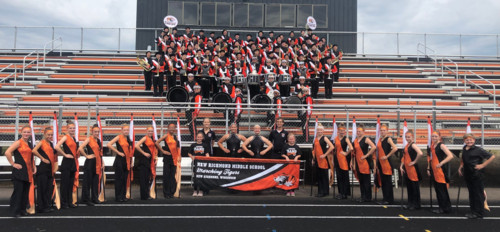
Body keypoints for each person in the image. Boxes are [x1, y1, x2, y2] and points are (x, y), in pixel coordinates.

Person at [459, 133, 495, 219]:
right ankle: (473, 210)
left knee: (478, 194)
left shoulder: (478, 150)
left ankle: (479, 213)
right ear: (464, 141)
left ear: (474, 140)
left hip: (477, 175)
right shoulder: (464, 148)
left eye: (471, 139)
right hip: (468, 175)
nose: (469, 141)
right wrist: (460, 167)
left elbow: (492, 156)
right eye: (467, 140)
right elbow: (464, 159)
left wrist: (482, 165)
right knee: (472, 194)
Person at [5, 126, 35, 217]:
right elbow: (7, 152)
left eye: (28, 132)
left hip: (28, 171)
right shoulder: (18, 142)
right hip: (19, 171)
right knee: (18, 192)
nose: (26, 134)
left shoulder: (30, 144)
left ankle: (22, 209)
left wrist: (34, 166)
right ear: (21, 132)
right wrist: (13, 164)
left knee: (25, 192)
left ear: (30, 133)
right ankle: (15, 211)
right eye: (24, 132)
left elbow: (31, 157)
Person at [428, 130, 454, 214]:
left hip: (440, 171)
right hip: (434, 170)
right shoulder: (432, 145)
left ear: (439, 137)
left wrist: (441, 163)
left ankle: (445, 208)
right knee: (438, 190)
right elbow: (431, 158)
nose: (434, 138)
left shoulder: (441, 145)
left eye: (436, 136)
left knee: (442, 190)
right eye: (433, 136)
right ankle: (442, 207)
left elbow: (450, 156)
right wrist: (429, 168)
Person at [32, 127, 57, 213]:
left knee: (48, 189)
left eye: (51, 135)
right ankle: (41, 207)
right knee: (42, 189)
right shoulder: (42, 142)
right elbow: (34, 151)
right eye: (48, 134)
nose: (50, 136)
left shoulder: (51, 144)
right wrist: (42, 158)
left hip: (50, 170)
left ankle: (47, 205)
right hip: (42, 169)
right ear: (44, 134)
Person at [55, 120, 78, 209]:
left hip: (72, 163)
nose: (72, 129)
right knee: (65, 184)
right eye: (70, 128)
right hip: (66, 163)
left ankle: (69, 201)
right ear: (67, 129)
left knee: (70, 183)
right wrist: (64, 154)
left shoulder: (74, 138)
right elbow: (56, 146)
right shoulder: (65, 137)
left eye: (73, 128)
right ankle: (64, 202)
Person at [77, 124, 103, 206]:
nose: (97, 133)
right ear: (92, 132)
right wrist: (86, 156)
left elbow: (100, 153)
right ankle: (86, 199)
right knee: (87, 182)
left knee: (95, 182)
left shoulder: (98, 141)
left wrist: (102, 163)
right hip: (90, 163)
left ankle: (95, 198)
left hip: (97, 163)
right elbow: (80, 148)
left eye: (98, 132)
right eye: (95, 132)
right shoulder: (89, 139)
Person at [107, 124, 134, 202]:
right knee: (119, 179)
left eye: (127, 130)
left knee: (125, 179)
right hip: (119, 161)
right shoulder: (118, 137)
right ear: (121, 130)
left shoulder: (128, 139)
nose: (126, 131)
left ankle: (123, 195)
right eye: (125, 130)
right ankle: (118, 196)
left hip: (126, 161)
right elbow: (109, 144)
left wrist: (130, 161)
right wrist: (118, 152)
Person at [399, 130, 423, 210]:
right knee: (409, 187)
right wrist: (401, 166)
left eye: (408, 137)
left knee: (414, 187)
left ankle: (416, 204)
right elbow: (404, 157)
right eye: (406, 137)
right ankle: (410, 203)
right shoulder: (407, 146)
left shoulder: (413, 145)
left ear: (412, 137)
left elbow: (420, 153)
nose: (407, 138)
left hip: (413, 169)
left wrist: (414, 162)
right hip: (407, 169)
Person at [156, 123, 181, 198]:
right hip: (167, 158)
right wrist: (163, 151)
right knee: (166, 176)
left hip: (174, 159)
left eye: (173, 127)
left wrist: (179, 156)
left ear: (175, 129)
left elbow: (178, 147)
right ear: (168, 128)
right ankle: (166, 193)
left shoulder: (176, 137)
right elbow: (156, 142)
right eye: (170, 127)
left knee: (172, 176)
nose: (172, 129)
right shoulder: (166, 136)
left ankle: (171, 192)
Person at [352, 124, 376, 202]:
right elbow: (353, 152)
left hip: (364, 162)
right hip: (358, 162)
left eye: (360, 131)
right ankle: (363, 196)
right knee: (361, 180)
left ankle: (368, 197)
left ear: (363, 132)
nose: (358, 132)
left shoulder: (366, 139)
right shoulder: (355, 140)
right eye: (357, 131)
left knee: (366, 181)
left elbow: (373, 147)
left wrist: (367, 155)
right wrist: (352, 162)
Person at [374, 124, 398, 205]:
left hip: (386, 164)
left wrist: (387, 156)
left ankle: (389, 199)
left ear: (387, 131)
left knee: (388, 182)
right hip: (381, 163)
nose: (382, 132)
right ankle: (385, 198)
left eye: (384, 130)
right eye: (381, 130)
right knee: (384, 182)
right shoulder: (380, 139)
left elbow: (395, 148)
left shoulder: (388, 139)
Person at [135, 127, 158, 200]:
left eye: (151, 131)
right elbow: (136, 145)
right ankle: (143, 196)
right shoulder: (145, 138)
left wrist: (155, 159)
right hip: (144, 161)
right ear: (146, 131)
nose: (150, 132)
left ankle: (146, 194)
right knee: (143, 179)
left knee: (147, 178)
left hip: (149, 161)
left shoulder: (152, 139)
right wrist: (144, 153)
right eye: (149, 131)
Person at [311, 125, 334, 197]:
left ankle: (324, 191)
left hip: (323, 160)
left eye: (321, 130)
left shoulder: (325, 138)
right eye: (318, 130)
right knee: (319, 176)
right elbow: (314, 150)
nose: (319, 131)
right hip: (317, 159)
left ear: (323, 131)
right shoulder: (315, 139)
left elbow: (332, 146)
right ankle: (321, 191)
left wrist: (325, 154)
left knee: (324, 176)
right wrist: (313, 159)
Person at [333, 123, 353, 200]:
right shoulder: (336, 138)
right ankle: (340, 192)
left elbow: (351, 148)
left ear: (344, 131)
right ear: (338, 131)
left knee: (344, 176)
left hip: (343, 160)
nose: (342, 132)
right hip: (337, 159)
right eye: (340, 130)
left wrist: (346, 153)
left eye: (343, 130)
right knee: (339, 176)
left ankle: (345, 193)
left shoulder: (346, 138)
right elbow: (335, 148)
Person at [189, 132, 211, 197]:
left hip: (202, 164)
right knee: (195, 177)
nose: (199, 138)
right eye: (198, 137)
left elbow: (207, 154)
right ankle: (195, 190)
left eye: (200, 137)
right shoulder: (193, 145)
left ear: (202, 138)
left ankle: (201, 190)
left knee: (201, 178)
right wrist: (192, 157)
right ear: (196, 137)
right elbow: (189, 153)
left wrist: (208, 158)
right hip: (195, 163)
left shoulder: (205, 145)